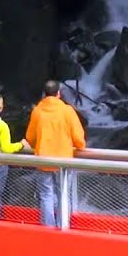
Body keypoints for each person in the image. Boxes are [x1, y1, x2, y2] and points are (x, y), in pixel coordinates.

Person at [25, 80, 86, 227]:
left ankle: (48, 227)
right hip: (63, 161)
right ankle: (62, 226)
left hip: (43, 160)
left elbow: (30, 137)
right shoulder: (67, 111)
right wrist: (81, 146)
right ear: (58, 94)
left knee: (46, 195)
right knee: (63, 194)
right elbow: (78, 137)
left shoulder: (37, 111)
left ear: (44, 95)